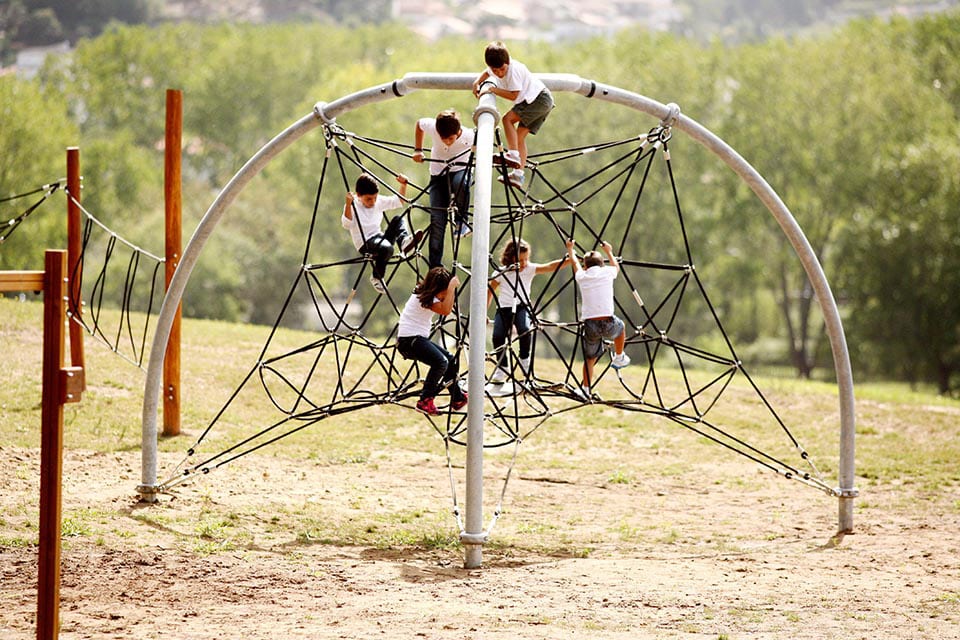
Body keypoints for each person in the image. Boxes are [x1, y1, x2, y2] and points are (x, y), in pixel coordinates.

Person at [472, 41, 554, 189]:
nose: (499, 73)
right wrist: (478, 81)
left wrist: (492, 90)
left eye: (501, 69)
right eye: (495, 70)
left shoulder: (513, 70)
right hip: (537, 100)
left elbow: (513, 95)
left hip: (537, 100)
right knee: (519, 136)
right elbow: (487, 72)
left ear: (507, 62)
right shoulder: (495, 67)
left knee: (507, 119)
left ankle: (513, 154)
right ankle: (518, 175)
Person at [486, 238, 568, 383]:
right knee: (498, 336)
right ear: (510, 257)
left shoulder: (529, 269)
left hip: (521, 307)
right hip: (504, 308)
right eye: (520, 260)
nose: (524, 263)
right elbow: (489, 292)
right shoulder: (500, 273)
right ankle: (502, 369)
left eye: (526, 259)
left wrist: (569, 260)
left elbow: (550, 267)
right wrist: (483, 313)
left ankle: (525, 362)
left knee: (524, 329)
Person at [397, 266, 468, 416]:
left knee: (450, 360)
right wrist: (451, 288)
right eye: (444, 293)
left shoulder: (427, 294)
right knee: (440, 362)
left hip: (415, 339)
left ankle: (457, 398)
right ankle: (425, 400)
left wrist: (449, 290)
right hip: (408, 341)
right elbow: (446, 310)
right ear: (437, 289)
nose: (445, 296)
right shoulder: (424, 297)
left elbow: (447, 306)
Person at [566, 239, 630, 400]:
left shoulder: (582, 276)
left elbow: (575, 263)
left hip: (590, 324)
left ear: (586, 266)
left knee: (590, 358)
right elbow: (616, 266)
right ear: (602, 265)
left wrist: (571, 250)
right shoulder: (607, 272)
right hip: (608, 321)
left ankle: (586, 389)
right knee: (621, 327)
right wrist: (609, 251)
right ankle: (619, 356)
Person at [341, 172, 423, 293]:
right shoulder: (354, 206)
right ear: (359, 195)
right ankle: (376, 277)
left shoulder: (377, 201)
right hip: (366, 243)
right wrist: (348, 204)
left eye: (375, 197)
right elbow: (346, 224)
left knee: (398, 219)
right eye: (369, 199)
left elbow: (398, 201)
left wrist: (403, 185)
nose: (373, 202)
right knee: (387, 248)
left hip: (379, 239)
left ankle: (404, 242)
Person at [413, 109, 475, 268]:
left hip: (460, 171)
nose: (447, 142)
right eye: (443, 139)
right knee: (437, 221)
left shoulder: (470, 136)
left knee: (460, 182)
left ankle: (462, 221)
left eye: (451, 139)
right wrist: (418, 150)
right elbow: (419, 125)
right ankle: (434, 267)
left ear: (458, 132)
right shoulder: (434, 127)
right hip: (438, 175)